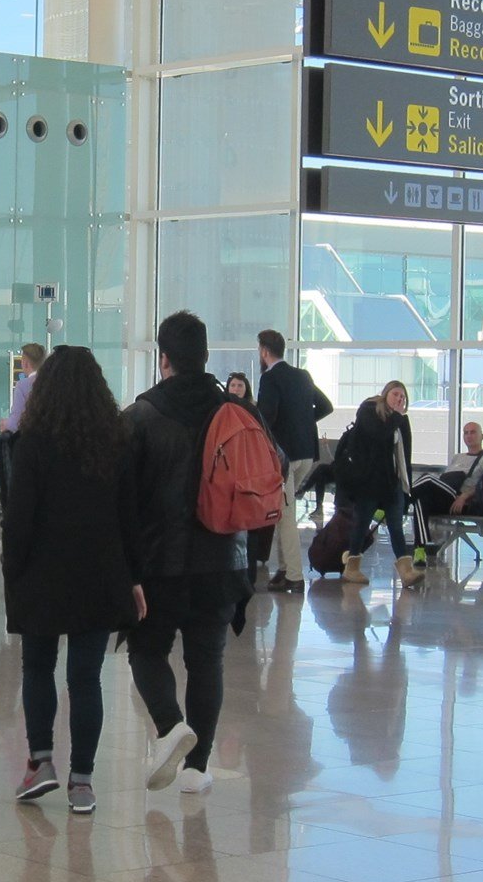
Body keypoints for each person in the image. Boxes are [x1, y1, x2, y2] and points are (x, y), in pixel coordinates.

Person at [1, 347, 143, 815]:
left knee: (37, 667)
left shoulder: (33, 442)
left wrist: (12, 570)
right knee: (85, 679)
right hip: (99, 573)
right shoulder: (116, 441)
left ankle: (41, 761)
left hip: (42, 571)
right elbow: (130, 518)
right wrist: (134, 579)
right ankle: (82, 781)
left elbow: (18, 517)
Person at [122, 311, 250, 796]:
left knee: (147, 649)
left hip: (160, 565)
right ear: (206, 357)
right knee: (206, 660)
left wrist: (127, 566)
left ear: (164, 359)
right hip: (223, 561)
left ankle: (171, 725)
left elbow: (124, 499)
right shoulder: (234, 413)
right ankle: (197, 768)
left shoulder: (141, 416)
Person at [255, 329, 334, 595]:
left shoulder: (269, 378)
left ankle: (294, 576)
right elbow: (325, 406)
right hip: (307, 454)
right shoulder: (302, 376)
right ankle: (283, 569)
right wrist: (304, 422)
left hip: (284, 458)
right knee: (282, 508)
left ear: (264, 351)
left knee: (285, 515)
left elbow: (267, 417)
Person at [337, 380, 421, 588]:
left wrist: (407, 485)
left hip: (392, 481)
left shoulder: (401, 420)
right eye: (396, 395)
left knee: (395, 525)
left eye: (403, 397)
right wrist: (396, 417)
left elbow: (404, 456)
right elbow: (379, 435)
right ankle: (352, 566)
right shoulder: (369, 410)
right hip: (369, 480)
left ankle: (406, 570)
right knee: (361, 523)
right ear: (385, 394)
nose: (399, 399)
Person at [412, 421, 483, 519]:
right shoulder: (457, 457)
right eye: (466, 433)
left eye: (473, 432)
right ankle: (422, 533)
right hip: (445, 493)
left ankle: (406, 497)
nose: (469, 436)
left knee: (427, 478)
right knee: (421, 502)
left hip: (460, 499)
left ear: (482, 436)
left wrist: (464, 496)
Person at [0, 344, 45, 434]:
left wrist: (5, 424)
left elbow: (15, 423)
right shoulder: (54, 383)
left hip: (32, 439)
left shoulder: (23, 385)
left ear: (25, 363)